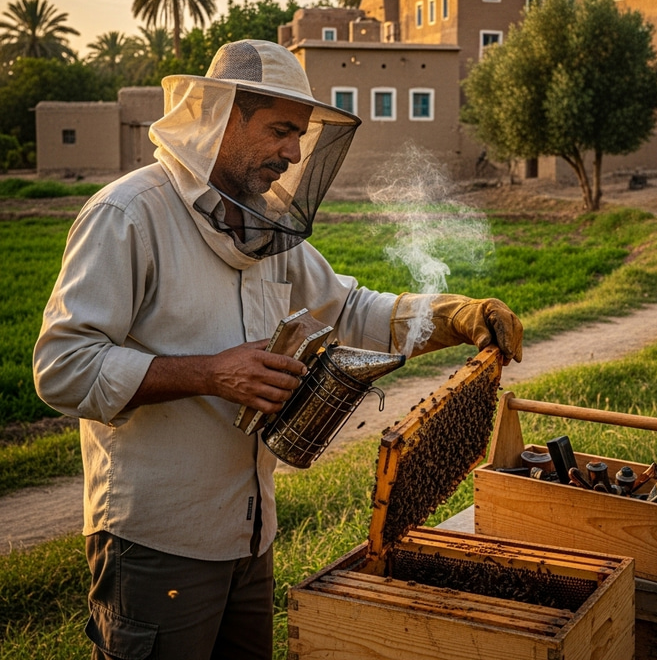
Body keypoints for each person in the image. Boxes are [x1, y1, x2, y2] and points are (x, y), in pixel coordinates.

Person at [33, 39, 523, 660]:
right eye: (282, 131)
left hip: (251, 535)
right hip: (158, 542)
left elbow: (348, 311)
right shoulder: (129, 214)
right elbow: (62, 367)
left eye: (301, 136)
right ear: (224, 115)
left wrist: (455, 315)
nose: (294, 153)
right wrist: (211, 373)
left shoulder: (262, 225)